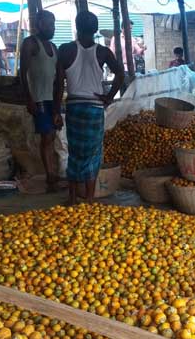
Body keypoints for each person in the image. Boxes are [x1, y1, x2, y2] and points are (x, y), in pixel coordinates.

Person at [56, 11, 124, 205]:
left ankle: (71, 198)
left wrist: (55, 111)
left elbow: (59, 85)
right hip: (94, 108)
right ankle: (90, 199)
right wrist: (109, 97)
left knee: (75, 152)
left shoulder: (66, 49)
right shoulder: (103, 52)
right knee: (94, 154)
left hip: (74, 108)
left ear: (77, 27)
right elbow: (120, 73)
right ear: (95, 30)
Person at [20, 10, 60, 192]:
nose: (53, 28)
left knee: (52, 136)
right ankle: (51, 178)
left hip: (51, 98)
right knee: (47, 137)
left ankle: (52, 174)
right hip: (39, 98)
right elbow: (23, 73)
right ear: (39, 24)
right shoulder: (30, 44)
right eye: (49, 24)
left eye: (53, 24)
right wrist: (28, 98)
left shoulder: (53, 47)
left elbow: (57, 77)